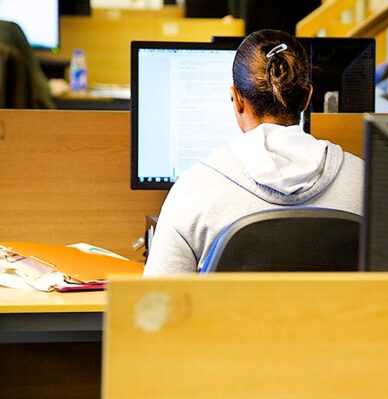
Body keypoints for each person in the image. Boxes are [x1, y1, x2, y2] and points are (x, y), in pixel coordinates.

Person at [144, 29, 363, 275]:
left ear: (236, 99)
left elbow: (157, 306)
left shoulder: (193, 189)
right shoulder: (367, 183)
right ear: (307, 98)